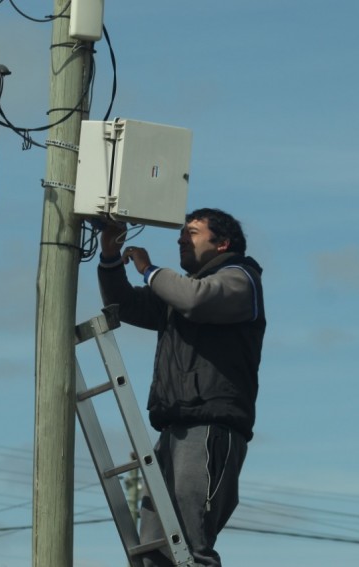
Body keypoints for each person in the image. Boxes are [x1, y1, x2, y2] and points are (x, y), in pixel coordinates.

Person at [97, 208, 266, 567]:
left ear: (222, 243)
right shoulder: (178, 293)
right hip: (174, 429)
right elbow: (123, 304)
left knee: (190, 549)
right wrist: (110, 255)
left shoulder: (240, 279)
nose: (180, 239)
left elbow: (196, 299)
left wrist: (148, 269)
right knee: (156, 551)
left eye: (192, 232)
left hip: (209, 430)